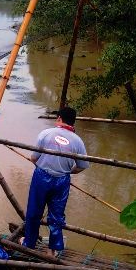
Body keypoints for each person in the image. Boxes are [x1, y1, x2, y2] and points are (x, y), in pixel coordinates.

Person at [22, 106, 89, 255]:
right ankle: (53, 249)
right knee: (57, 215)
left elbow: (34, 158)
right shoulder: (78, 141)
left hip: (41, 177)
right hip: (62, 181)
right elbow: (82, 166)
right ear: (73, 123)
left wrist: (43, 163)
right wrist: (67, 172)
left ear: (59, 118)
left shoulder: (46, 134)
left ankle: (29, 243)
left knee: (34, 211)